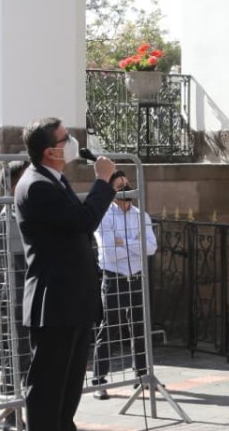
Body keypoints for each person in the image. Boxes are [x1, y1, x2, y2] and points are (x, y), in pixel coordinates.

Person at [16, 117, 116, 431]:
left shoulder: (54, 179)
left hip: (72, 302)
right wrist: (103, 183)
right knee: (48, 388)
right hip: (54, 302)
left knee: (69, 387)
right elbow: (83, 221)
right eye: (64, 138)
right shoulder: (37, 185)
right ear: (49, 152)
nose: (71, 141)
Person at [90, 170, 157, 399]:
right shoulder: (104, 215)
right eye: (120, 186)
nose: (126, 189)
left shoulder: (141, 215)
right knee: (109, 329)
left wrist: (123, 242)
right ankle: (99, 380)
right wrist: (134, 242)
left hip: (136, 276)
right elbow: (109, 251)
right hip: (114, 277)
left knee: (139, 326)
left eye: (127, 184)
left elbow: (151, 248)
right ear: (111, 191)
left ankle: (141, 376)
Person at [0, 159, 29, 429]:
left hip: (29, 295)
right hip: (17, 297)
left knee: (27, 354)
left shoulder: (25, 213)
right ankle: (9, 411)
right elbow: (23, 259)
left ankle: (23, 408)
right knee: (15, 354)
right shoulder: (9, 216)